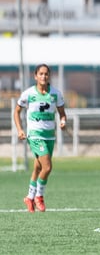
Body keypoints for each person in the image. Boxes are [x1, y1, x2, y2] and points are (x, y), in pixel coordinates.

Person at [14, 64, 67, 213]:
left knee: (38, 167)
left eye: (46, 74)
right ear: (35, 76)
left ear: (49, 76)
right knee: (48, 167)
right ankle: (39, 196)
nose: (43, 77)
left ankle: (29, 197)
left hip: (49, 136)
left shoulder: (56, 94)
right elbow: (16, 112)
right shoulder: (28, 94)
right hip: (35, 135)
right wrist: (20, 130)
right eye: (41, 74)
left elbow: (62, 113)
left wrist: (63, 121)